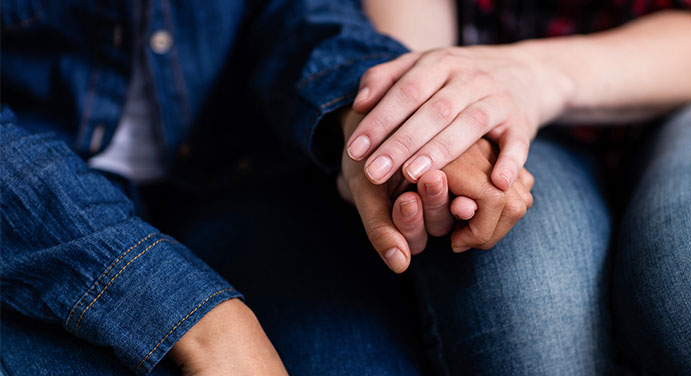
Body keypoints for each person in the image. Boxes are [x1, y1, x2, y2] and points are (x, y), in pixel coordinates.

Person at [1, 0, 529, 374]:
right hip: (29, 221)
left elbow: (289, 10)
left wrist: (375, 119)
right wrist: (200, 318)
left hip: (241, 171)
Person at [337, 0, 691, 374]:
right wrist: (423, 113)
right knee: (528, 331)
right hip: (501, 104)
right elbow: (413, 42)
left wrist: (536, 72)